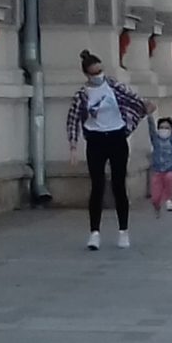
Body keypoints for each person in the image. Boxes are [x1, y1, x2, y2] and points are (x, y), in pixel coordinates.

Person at [67, 50, 149, 251]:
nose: (99, 76)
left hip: (116, 137)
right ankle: (94, 233)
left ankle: (123, 231)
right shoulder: (82, 95)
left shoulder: (113, 86)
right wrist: (73, 146)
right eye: (94, 73)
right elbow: (73, 119)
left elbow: (134, 99)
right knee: (97, 185)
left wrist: (145, 107)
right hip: (95, 140)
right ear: (87, 75)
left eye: (100, 71)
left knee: (119, 185)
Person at [147, 105, 172, 217]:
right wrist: (149, 114)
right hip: (157, 171)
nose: (164, 130)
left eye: (167, 128)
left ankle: (168, 199)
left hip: (171, 169)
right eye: (161, 127)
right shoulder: (155, 139)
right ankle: (157, 206)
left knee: (169, 178)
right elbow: (151, 127)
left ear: (171, 130)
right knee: (155, 197)